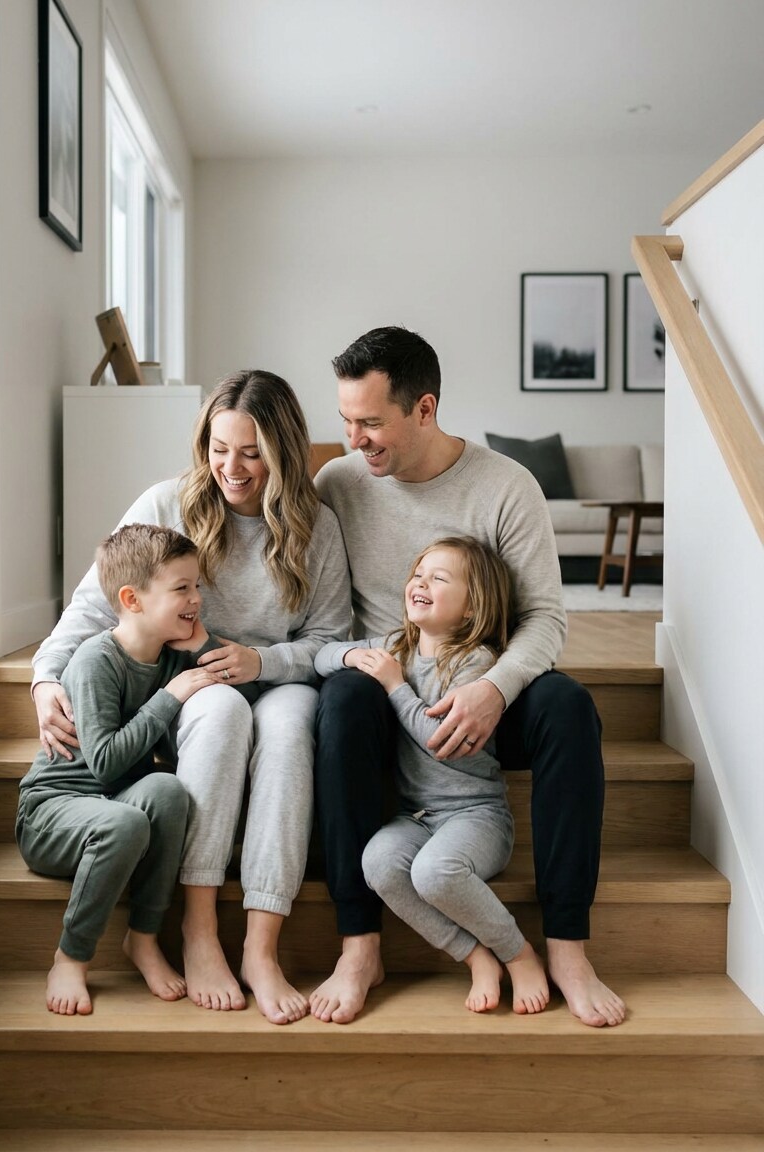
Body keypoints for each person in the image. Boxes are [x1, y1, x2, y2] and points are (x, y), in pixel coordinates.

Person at [310, 325, 626, 1028]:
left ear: (423, 410)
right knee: (340, 701)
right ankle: (359, 943)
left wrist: (494, 689)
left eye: (370, 423)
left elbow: (546, 618)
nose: (353, 440)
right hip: (392, 701)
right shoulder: (337, 484)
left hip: (481, 700)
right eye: (345, 421)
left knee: (568, 705)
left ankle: (568, 945)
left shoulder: (506, 486)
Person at [32, 370, 351, 1025]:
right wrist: (44, 679)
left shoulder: (316, 527)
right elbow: (95, 605)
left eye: (252, 452)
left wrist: (264, 659)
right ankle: (200, 927)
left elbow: (331, 637)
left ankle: (262, 947)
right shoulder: (165, 504)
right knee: (221, 707)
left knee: (291, 729)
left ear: (285, 452)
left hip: (279, 677)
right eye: (219, 448)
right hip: (194, 684)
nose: (231, 468)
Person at [315, 536, 549, 1015]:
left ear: (470, 609)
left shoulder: (475, 663)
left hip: (475, 815)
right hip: (416, 817)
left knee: (435, 874)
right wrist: (348, 659)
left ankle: (519, 954)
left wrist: (395, 687)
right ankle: (474, 954)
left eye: (439, 578)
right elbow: (321, 654)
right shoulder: (394, 648)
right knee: (378, 864)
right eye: (418, 574)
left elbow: (439, 740)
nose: (420, 582)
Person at [16, 524, 221, 1016]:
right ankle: (71, 956)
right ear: (132, 599)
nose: (196, 598)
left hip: (110, 808)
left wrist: (206, 643)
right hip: (53, 813)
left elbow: (240, 688)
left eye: (196, 586)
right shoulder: (95, 662)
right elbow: (105, 765)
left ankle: (144, 937)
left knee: (169, 792)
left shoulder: (173, 654)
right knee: (127, 820)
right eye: (181, 589)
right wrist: (172, 697)